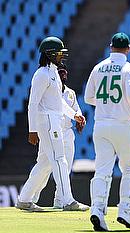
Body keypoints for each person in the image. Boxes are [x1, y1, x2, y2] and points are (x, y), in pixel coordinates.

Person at [16, 36, 88, 212]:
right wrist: (32, 130)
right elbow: (33, 103)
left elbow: (59, 102)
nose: (61, 56)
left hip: (52, 120)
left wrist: (74, 115)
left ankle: (24, 199)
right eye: (58, 53)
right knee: (59, 159)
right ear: (49, 54)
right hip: (47, 121)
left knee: (45, 163)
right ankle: (68, 201)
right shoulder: (41, 74)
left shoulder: (53, 73)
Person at [85, 32, 130, 231]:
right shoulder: (129, 69)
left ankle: (97, 209)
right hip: (122, 124)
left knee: (102, 170)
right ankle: (125, 212)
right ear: (128, 48)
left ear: (111, 47)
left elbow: (88, 97)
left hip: (101, 124)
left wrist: (105, 104)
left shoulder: (98, 68)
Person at [31, 65, 85, 208]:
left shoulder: (70, 93)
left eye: (64, 72)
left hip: (67, 132)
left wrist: (79, 117)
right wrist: (34, 129)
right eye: (60, 72)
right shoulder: (48, 89)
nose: (63, 75)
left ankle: (60, 201)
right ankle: (31, 197)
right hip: (50, 132)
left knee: (64, 169)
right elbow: (35, 105)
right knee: (45, 168)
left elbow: (75, 108)